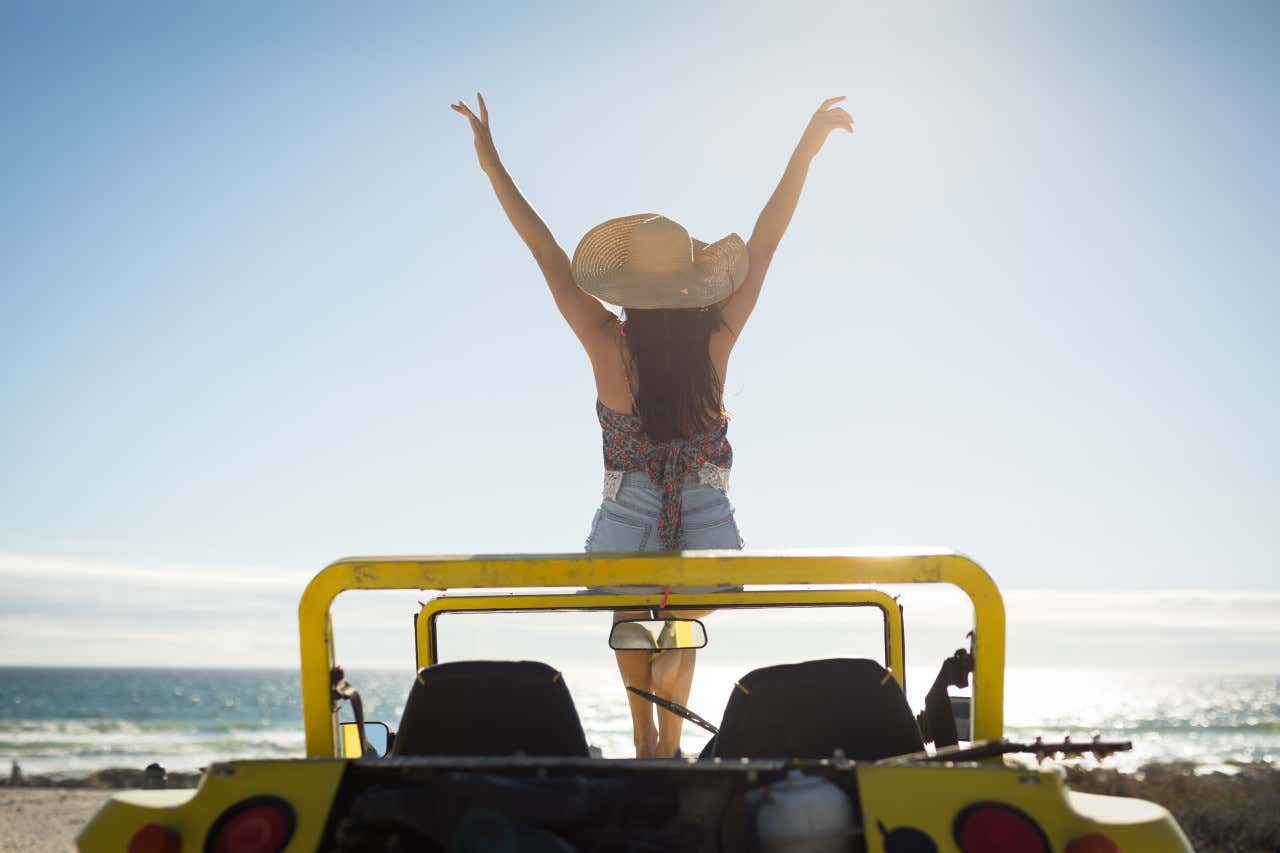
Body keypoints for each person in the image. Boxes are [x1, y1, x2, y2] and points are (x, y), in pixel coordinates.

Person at [450, 92, 852, 757]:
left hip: (627, 512)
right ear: (693, 282)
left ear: (628, 286)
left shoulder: (606, 340)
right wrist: (806, 149)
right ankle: (667, 719)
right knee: (679, 625)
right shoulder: (717, 337)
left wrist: (492, 164)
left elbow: (546, 251)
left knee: (633, 618)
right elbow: (768, 237)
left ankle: (646, 741)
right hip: (704, 508)